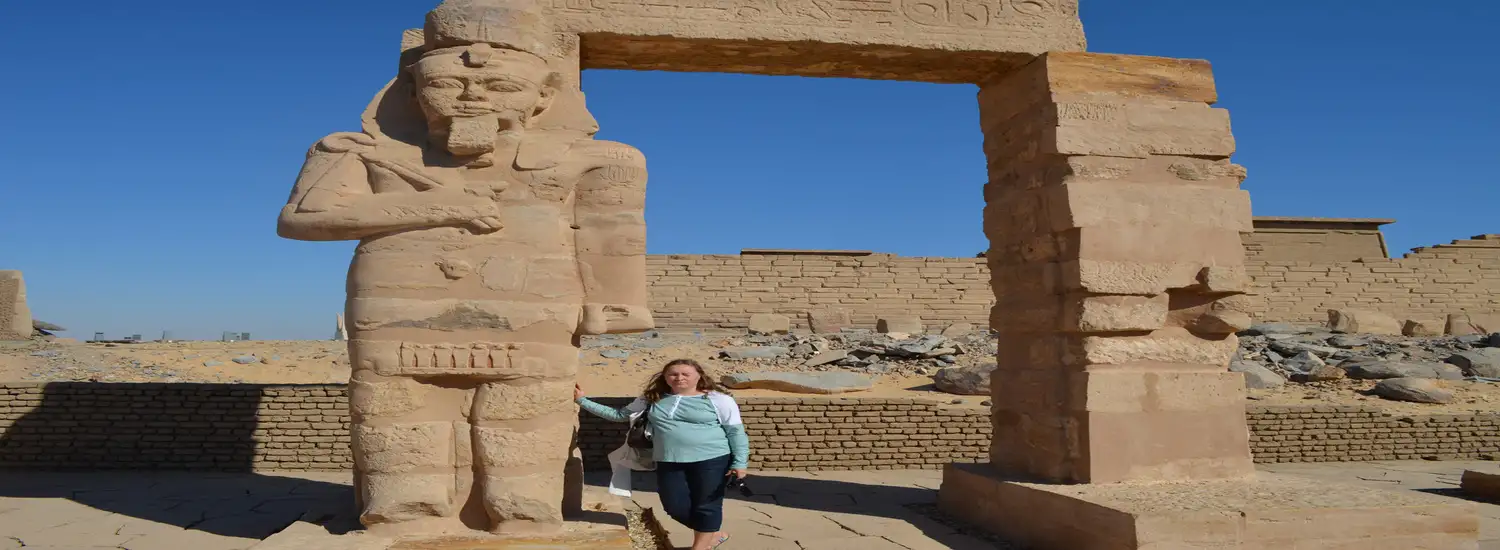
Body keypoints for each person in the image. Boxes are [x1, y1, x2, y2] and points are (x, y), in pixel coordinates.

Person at [576, 359, 749, 550]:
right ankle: (712, 534)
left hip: (712, 460)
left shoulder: (718, 400)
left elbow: (735, 432)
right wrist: (582, 400)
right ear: (665, 377)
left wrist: (740, 462)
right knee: (674, 506)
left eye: (685, 374)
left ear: (699, 376)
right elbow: (619, 415)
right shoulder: (652, 398)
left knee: (707, 504)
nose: (679, 378)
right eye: (673, 374)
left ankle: (700, 546)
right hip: (668, 460)